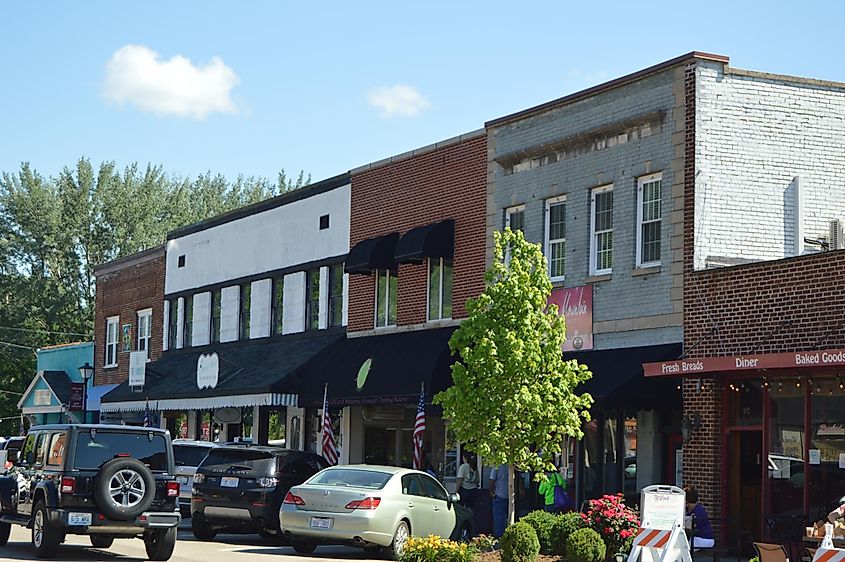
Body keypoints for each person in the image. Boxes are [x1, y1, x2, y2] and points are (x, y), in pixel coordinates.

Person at [685, 486, 714, 550]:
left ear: (687, 502)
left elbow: (691, 528)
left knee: (683, 548)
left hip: (704, 539)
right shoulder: (696, 510)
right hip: (700, 538)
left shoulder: (698, 511)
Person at [489, 464, 509, 538]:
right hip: (510, 496)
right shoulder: (513, 464)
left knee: (498, 520)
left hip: (499, 495)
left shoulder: (497, 465)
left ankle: (499, 539)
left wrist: (491, 491)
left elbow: (492, 480)